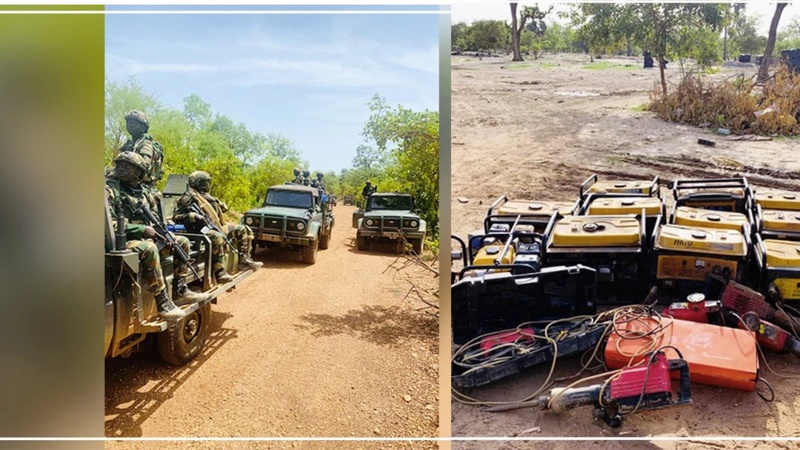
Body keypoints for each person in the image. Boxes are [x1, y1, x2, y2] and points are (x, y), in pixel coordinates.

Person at [106, 153, 206, 320]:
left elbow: (156, 220)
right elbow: (108, 225)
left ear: (139, 172)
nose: (121, 168)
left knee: (181, 241)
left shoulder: (144, 192)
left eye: (127, 166)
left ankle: (180, 289)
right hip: (117, 241)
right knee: (149, 248)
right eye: (120, 164)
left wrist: (164, 235)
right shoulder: (111, 190)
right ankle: (162, 302)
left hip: (142, 235)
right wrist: (141, 229)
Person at [173, 171, 262, 282]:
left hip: (217, 226)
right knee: (217, 237)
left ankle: (244, 260)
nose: (208, 185)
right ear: (198, 183)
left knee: (241, 229)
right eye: (206, 182)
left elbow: (224, 209)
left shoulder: (207, 197)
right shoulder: (188, 198)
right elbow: (176, 217)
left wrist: (213, 200)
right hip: (199, 229)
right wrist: (193, 216)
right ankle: (220, 272)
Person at [118, 110, 165, 191]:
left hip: (140, 185)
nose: (131, 125)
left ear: (143, 126)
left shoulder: (145, 144)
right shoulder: (129, 144)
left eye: (135, 122)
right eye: (129, 122)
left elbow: (143, 167)